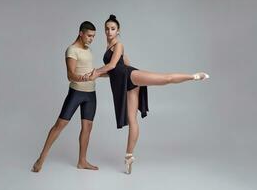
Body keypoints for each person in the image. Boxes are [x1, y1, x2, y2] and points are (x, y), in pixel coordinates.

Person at [88, 14, 209, 174]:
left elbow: (111, 65)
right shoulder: (108, 47)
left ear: (118, 31)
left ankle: (194, 76)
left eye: (113, 29)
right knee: (132, 121)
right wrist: (97, 74)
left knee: (166, 79)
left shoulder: (119, 45)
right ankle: (129, 156)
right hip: (125, 83)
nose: (109, 32)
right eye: (107, 29)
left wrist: (96, 71)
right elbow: (114, 70)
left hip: (131, 76)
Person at [31, 21, 99, 172]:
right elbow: (70, 74)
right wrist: (82, 78)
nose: (91, 39)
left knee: (87, 127)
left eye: (93, 36)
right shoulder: (71, 50)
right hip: (76, 93)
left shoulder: (88, 50)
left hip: (91, 94)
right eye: (89, 35)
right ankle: (41, 158)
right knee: (59, 125)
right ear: (81, 33)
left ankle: (82, 161)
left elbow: (92, 72)